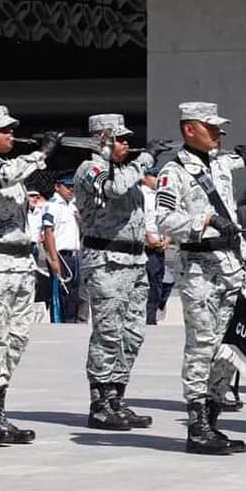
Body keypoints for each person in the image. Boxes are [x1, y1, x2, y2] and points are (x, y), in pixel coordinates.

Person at [156, 101, 246, 454]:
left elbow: (230, 216)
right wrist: (205, 221)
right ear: (189, 129)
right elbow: (165, 220)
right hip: (199, 269)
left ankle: (213, 421)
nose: (219, 134)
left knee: (228, 348)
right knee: (201, 347)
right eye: (211, 128)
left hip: (229, 266)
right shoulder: (174, 171)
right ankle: (196, 425)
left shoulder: (219, 166)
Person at [0, 105, 61, 445]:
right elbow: (2, 176)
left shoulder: (9, 167)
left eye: (10, 129)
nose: (8, 134)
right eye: (1, 129)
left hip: (19, 265)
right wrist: (41, 154)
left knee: (16, 338)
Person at [75, 113, 161, 431]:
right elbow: (114, 189)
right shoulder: (91, 168)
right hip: (106, 262)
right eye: (120, 138)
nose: (127, 143)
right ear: (101, 139)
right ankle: (99, 403)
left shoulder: (127, 171)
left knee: (132, 335)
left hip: (135, 263)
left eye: (128, 138)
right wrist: (146, 160)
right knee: (108, 334)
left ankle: (117, 398)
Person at [41, 175, 82, 323]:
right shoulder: (52, 205)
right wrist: (53, 259)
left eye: (73, 187)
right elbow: (48, 232)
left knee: (74, 296)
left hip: (75, 255)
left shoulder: (72, 206)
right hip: (61, 255)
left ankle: (71, 324)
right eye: (67, 186)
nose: (71, 190)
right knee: (60, 295)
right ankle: (59, 325)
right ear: (57, 187)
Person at [141, 167, 168, 325]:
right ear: (145, 177)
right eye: (154, 175)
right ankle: (145, 319)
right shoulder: (141, 194)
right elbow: (138, 219)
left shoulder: (159, 195)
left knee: (157, 284)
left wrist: (167, 239)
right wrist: (147, 237)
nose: (157, 179)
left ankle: (151, 319)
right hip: (146, 247)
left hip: (159, 246)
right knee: (147, 285)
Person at [26, 190, 51, 306]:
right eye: (31, 196)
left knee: (37, 274)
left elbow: (50, 205)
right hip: (24, 247)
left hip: (36, 246)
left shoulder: (39, 211)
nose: (35, 199)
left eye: (37, 196)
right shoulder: (21, 211)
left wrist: (43, 200)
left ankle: (35, 298)